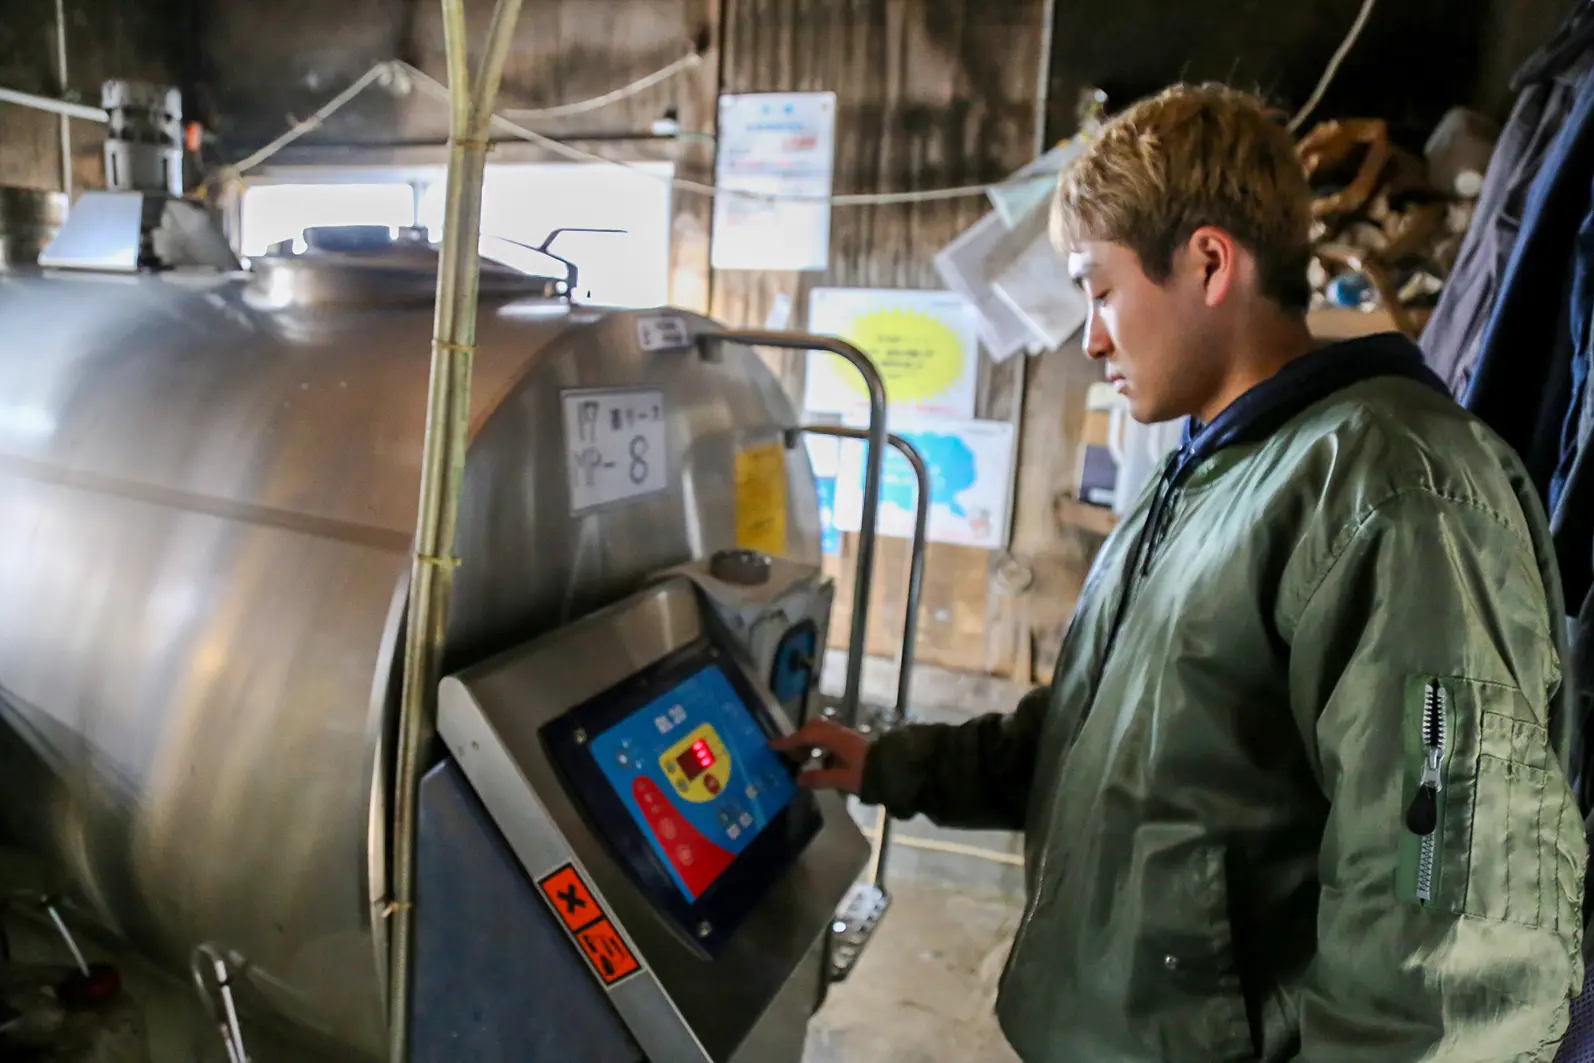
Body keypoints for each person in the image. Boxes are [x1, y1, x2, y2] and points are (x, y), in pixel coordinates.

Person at [777, 83, 1589, 1062]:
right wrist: (889, 764)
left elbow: (1452, 930)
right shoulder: (1207, 474)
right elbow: (1095, 741)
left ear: (1208, 261)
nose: (1090, 337)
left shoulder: (1393, 489)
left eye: (1100, 288)